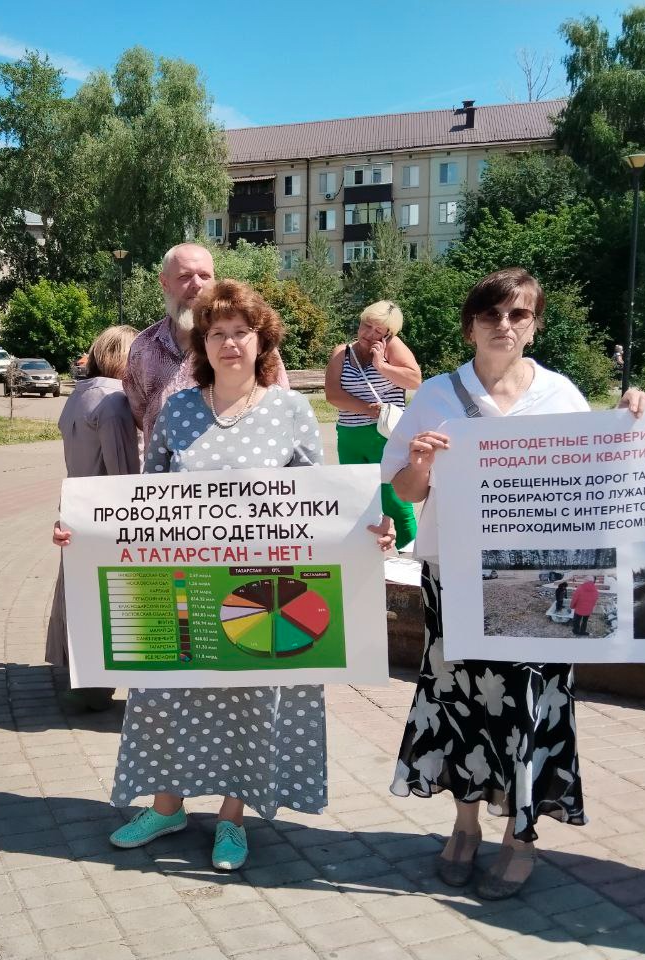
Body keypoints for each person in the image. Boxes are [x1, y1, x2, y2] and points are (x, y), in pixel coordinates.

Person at [58, 280, 392, 871]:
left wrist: (370, 534)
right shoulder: (180, 409)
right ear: (201, 344)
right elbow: (147, 495)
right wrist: (86, 536)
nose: (230, 343)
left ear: (261, 340)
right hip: (183, 583)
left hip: (264, 591)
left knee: (250, 698)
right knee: (166, 693)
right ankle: (167, 807)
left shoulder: (289, 409)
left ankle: (233, 819)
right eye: (217, 333)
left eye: (241, 332)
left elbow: (320, 500)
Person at [381, 267, 645, 900]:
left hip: (540, 578)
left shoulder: (561, 395)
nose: (505, 325)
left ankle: (521, 838)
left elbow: (601, 475)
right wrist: (419, 464)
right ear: (471, 324)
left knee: (532, 703)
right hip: (454, 574)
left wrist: (631, 418)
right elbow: (402, 491)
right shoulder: (437, 396)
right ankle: (466, 826)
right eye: (492, 314)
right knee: (460, 703)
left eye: (519, 315)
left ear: (533, 326)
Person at [46, 325, 140, 711]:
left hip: (78, 506)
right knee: (109, 601)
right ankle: (95, 685)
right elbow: (124, 473)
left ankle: (79, 676)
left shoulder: (79, 394)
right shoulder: (114, 400)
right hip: (107, 514)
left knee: (78, 592)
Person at [123, 243, 289, 451]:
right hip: (167, 476)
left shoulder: (247, 343)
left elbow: (279, 405)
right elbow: (140, 414)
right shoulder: (143, 347)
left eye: (204, 276)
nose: (196, 284)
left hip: (239, 473)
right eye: (184, 277)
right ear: (164, 282)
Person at [324, 300, 421, 548]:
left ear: (388, 334)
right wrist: (368, 410)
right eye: (366, 326)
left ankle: (414, 564)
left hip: (387, 436)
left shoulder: (394, 347)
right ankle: (364, 558)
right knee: (359, 500)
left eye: (378, 331)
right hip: (350, 436)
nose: (369, 334)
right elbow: (333, 394)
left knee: (395, 501)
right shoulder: (342, 352)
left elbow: (414, 380)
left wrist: (382, 366)